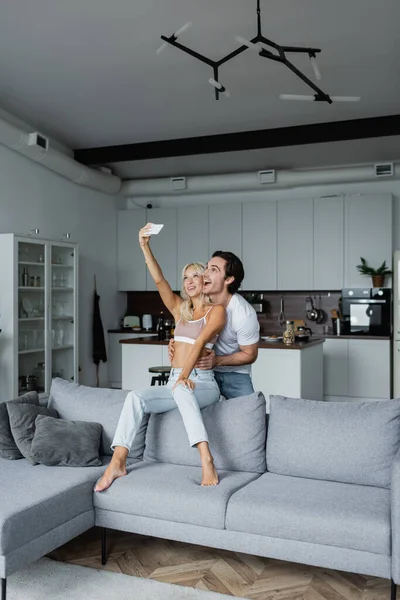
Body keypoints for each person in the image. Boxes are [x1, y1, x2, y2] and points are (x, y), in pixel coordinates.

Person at [95, 224, 226, 492]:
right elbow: (159, 280)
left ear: (205, 281)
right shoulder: (180, 310)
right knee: (136, 397)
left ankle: (206, 458)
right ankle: (118, 462)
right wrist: (145, 246)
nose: (189, 281)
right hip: (176, 381)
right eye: (185, 277)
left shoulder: (217, 311)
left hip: (203, 383)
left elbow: (200, 343)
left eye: (195, 276)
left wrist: (185, 377)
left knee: (182, 391)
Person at [169, 251, 259, 399]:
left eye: (213, 270)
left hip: (234, 375)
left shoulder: (243, 313)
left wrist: (217, 361)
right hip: (202, 374)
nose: (205, 273)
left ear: (229, 279)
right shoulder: (198, 305)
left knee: (249, 413)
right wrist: (175, 345)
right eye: (207, 267)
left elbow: (250, 354)